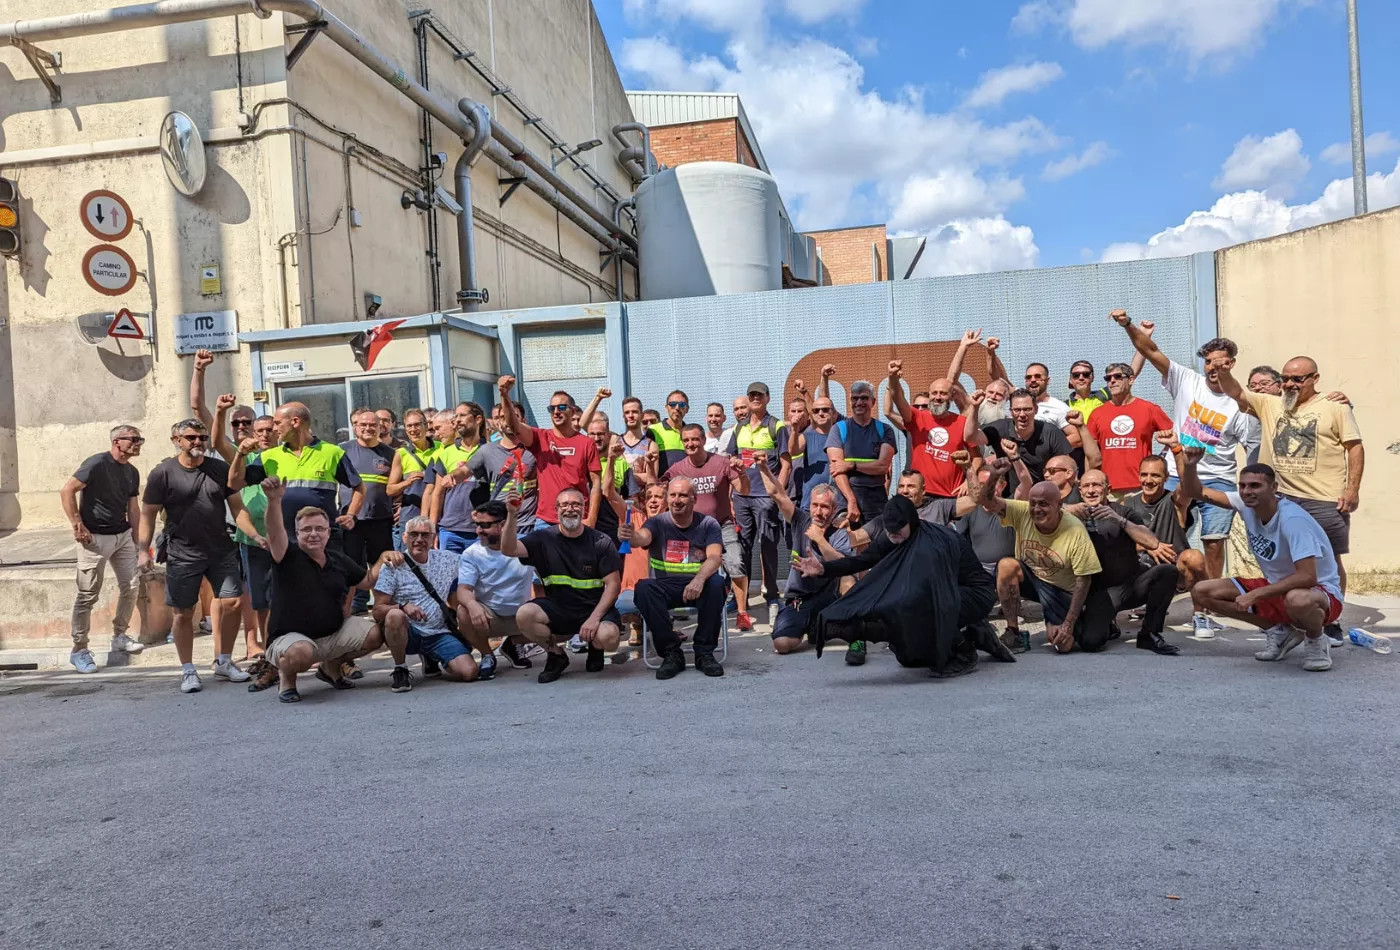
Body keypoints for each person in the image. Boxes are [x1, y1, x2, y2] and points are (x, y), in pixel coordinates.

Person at [1216, 358, 1363, 646]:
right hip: (1281, 497)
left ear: (1315, 378)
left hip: (1323, 498)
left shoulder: (1335, 406)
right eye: (1285, 379)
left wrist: (1352, 489)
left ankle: (1330, 620)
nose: (1291, 385)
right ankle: (1288, 617)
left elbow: (1354, 446)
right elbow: (1235, 391)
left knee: (1331, 558)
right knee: (1279, 561)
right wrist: (1223, 372)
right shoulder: (1271, 403)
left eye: (1299, 379)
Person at [1114, 311, 1260, 588]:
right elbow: (1150, 350)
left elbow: (1253, 450)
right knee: (1161, 531)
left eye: (1220, 362)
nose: (1213, 368)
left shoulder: (1240, 404)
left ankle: (1213, 594)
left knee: (1214, 541)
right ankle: (1160, 586)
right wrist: (1127, 325)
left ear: (1231, 363)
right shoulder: (1186, 380)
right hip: (1176, 472)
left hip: (1218, 477)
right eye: (1208, 362)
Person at [794, 495, 1008, 678]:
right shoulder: (895, 535)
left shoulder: (931, 545)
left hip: (975, 593)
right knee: (909, 657)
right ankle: (976, 632)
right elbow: (863, 561)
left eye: (898, 529)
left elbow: (930, 594)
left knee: (920, 609)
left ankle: (964, 650)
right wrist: (823, 568)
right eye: (889, 529)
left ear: (911, 522)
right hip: (947, 592)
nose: (893, 534)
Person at [1181, 450, 1344, 672]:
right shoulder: (1245, 503)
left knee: (1297, 599)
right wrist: (1190, 465)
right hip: (1277, 586)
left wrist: (1255, 595)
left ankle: (1316, 640)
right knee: (1201, 591)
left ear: (1274, 488)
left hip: (1318, 593)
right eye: (1243, 485)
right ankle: (1279, 632)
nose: (1247, 491)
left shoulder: (1293, 521)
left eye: (1255, 486)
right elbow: (1194, 491)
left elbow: (1308, 576)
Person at [137, 418, 256, 692]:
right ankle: (188, 670)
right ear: (176, 441)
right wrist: (143, 550)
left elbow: (237, 507)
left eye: (202, 437)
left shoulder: (218, 469)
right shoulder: (162, 473)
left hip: (220, 549)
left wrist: (254, 535)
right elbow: (148, 514)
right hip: (182, 552)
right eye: (191, 437)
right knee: (183, 612)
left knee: (233, 602)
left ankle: (224, 662)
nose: (198, 442)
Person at [259, 478, 394, 702]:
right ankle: (287, 681)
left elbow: (367, 581)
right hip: (290, 639)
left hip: (331, 635)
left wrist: (382, 557)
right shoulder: (286, 555)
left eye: (320, 529)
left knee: (376, 633)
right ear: (297, 532)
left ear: (328, 533)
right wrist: (274, 501)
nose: (314, 534)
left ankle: (330, 667)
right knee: (301, 652)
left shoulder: (337, 559)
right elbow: (274, 531)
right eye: (307, 529)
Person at [978, 459, 1105, 654]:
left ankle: (1077, 622)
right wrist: (994, 475)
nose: (1037, 509)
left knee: (1065, 645)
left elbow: (1083, 581)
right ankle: (1013, 632)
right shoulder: (1022, 512)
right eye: (1033, 503)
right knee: (1006, 565)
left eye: (1044, 504)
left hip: (1063, 592)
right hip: (1035, 580)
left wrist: (1068, 624)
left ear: (1059, 505)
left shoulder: (1075, 531)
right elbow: (987, 502)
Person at [499, 486, 622, 682]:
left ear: (584, 508)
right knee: (525, 614)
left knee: (609, 637)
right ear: (556, 509)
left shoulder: (600, 541)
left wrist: (594, 619)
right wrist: (512, 514)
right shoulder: (543, 538)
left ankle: (596, 648)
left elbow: (613, 585)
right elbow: (508, 549)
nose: (570, 509)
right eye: (564, 504)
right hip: (559, 608)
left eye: (576, 504)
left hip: (593, 608)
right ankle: (556, 655)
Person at [622, 477, 727, 679]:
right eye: (672, 495)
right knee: (643, 589)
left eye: (683, 495)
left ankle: (704, 653)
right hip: (665, 587)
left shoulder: (708, 524)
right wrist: (631, 536)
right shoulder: (656, 522)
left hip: (697, 586)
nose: (676, 500)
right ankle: (671, 653)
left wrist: (699, 579)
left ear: (694, 499)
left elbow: (715, 557)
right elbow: (641, 538)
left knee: (716, 583)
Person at [62, 425, 148, 672]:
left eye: (140, 439)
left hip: (122, 536)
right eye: (133, 439)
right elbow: (67, 490)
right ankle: (79, 649)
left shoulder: (132, 472)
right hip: (94, 538)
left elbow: (133, 508)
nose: (137, 443)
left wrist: (140, 542)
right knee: (88, 593)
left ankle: (120, 635)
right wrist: (77, 523)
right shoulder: (97, 463)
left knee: (131, 586)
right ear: (116, 441)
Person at [372, 516, 488, 691]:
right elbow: (377, 610)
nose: (419, 539)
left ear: (434, 538)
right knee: (394, 615)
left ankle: (432, 656)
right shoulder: (392, 566)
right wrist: (403, 607)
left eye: (425, 535)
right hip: (408, 632)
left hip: (438, 633)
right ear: (404, 538)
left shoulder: (447, 559)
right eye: (414, 534)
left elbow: (477, 562)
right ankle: (400, 668)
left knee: (469, 672)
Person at [1076, 469, 1181, 655]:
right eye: (1086, 486)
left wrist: (1118, 520)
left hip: (1130, 584)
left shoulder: (1122, 512)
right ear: (1080, 490)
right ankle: (1107, 625)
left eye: (1097, 485)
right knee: (1091, 643)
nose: (1091, 490)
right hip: (1100, 593)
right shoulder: (1072, 514)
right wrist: (1066, 510)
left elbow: (1152, 542)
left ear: (1108, 489)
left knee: (1167, 572)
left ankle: (1149, 634)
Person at [233, 402, 362, 548]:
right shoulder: (268, 457)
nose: (274, 429)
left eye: (277, 423)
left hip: (324, 540)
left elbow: (359, 486)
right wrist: (240, 454)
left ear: (295, 422)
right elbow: (234, 483)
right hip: (285, 539)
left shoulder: (332, 453)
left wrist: (351, 515)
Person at [497, 376, 602, 531]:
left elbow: (596, 484)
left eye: (561, 407)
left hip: (576, 517)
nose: (555, 412)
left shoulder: (586, 443)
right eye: (551, 409)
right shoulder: (541, 438)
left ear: (573, 411)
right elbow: (514, 426)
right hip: (545, 520)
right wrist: (504, 395)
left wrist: (591, 519)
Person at [763, 475, 851, 656]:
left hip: (829, 599)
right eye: (815, 505)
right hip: (800, 599)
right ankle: (812, 627)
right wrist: (764, 467)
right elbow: (775, 493)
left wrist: (820, 541)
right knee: (782, 644)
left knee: (849, 579)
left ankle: (824, 627)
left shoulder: (839, 532)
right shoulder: (800, 520)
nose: (818, 512)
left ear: (834, 509)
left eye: (825, 507)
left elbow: (845, 565)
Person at [725, 381, 790, 626]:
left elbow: (786, 464)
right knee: (742, 547)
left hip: (765, 497)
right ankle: (741, 599)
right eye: (751, 395)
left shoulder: (777, 426)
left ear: (767, 398)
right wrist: (732, 493)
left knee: (769, 545)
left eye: (759, 395)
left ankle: (772, 595)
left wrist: (778, 493)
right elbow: (731, 460)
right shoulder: (738, 428)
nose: (755, 399)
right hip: (742, 498)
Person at [662, 422, 748, 602]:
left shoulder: (721, 462)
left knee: (736, 565)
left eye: (695, 439)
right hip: (692, 529)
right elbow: (658, 489)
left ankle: (741, 612)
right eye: (686, 440)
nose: (690, 444)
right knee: (677, 569)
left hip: (722, 525)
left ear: (703, 440)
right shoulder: (678, 468)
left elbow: (744, 490)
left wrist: (742, 474)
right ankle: (682, 605)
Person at [459, 500, 548, 670]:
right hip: (489, 618)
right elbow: (463, 590)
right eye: (477, 524)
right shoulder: (471, 554)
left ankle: (513, 644)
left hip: (523, 616)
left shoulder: (527, 546)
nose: (478, 530)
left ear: (502, 525)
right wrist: (472, 605)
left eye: (484, 525)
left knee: (562, 615)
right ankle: (487, 654)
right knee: (463, 612)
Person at [1123, 435, 1209, 604]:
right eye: (1144, 475)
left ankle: (1201, 612)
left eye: (1155, 475)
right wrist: (1151, 547)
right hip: (1141, 570)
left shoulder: (1175, 502)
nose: (1148, 480)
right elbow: (1120, 543)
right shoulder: (1127, 503)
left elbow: (1187, 485)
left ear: (1166, 478)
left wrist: (1177, 450)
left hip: (1175, 570)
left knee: (1194, 558)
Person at [887, 359, 968, 514]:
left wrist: (968, 482)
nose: (938, 397)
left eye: (943, 393)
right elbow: (898, 399)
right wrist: (892, 377)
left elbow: (976, 457)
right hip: (921, 497)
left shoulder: (962, 422)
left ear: (952, 396)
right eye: (934, 393)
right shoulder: (918, 418)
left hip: (951, 498)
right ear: (929, 395)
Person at [1085, 361, 1172, 499]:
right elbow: (1090, 454)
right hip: (1108, 490)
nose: (1112, 381)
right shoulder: (1097, 414)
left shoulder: (1149, 409)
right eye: (1108, 378)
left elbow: (1175, 437)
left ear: (1131, 379)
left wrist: (1161, 458)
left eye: (1118, 376)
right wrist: (1089, 481)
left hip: (1142, 487)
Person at [965, 389, 1085, 489]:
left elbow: (1068, 467)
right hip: (1011, 498)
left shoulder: (1050, 432)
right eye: (1017, 410)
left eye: (1027, 409)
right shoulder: (1000, 428)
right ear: (1011, 412)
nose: (1022, 415)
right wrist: (974, 407)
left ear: (1036, 410)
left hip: (1043, 495)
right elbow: (971, 437)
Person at [340, 407, 397, 610]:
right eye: (363, 424)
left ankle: (381, 612)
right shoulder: (342, 450)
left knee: (381, 568)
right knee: (350, 567)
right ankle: (345, 614)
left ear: (381, 427)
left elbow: (397, 486)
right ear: (355, 427)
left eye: (373, 425)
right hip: (351, 521)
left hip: (381, 519)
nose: (368, 428)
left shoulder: (391, 454)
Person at [231, 414, 277, 664]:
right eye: (258, 430)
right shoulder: (246, 459)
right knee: (261, 601)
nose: (264, 435)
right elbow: (218, 442)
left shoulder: (286, 457)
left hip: (288, 539)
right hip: (253, 541)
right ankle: (269, 650)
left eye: (269, 429)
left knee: (291, 596)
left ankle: (295, 646)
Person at [825, 379, 896, 527]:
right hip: (845, 498)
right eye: (855, 398)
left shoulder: (884, 430)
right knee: (847, 546)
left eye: (864, 398)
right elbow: (837, 470)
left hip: (875, 499)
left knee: (877, 545)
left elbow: (882, 466)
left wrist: (850, 465)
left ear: (873, 401)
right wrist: (851, 501)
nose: (859, 402)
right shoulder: (839, 429)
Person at [463, 405, 540, 535]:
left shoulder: (536, 448)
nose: (509, 420)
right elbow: (465, 471)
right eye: (503, 417)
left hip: (528, 525)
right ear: (498, 422)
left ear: (524, 421)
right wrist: (452, 476)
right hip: (499, 525)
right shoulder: (487, 450)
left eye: (514, 417)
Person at [429, 402, 486, 554]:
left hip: (481, 529)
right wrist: (432, 528)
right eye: (456, 416)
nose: (457, 420)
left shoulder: (490, 450)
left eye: (462, 415)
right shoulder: (447, 453)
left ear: (478, 419)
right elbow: (437, 493)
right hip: (450, 530)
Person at [618, 483, 669, 647]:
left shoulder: (675, 523)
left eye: (659, 497)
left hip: (667, 589)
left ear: (668, 502)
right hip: (633, 588)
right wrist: (610, 460)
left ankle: (665, 628)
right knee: (624, 607)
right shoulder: (634, 517)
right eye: (649, 498)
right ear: (643, 502)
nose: (653, 501)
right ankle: (637, 626)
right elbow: (608, 493)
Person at [386, 408, 440, 549]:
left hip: (439, 516)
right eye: (409, 426)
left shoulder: (441, 448)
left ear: (426, 426)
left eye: (417, 425)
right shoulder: (401, 453)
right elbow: (390, 489)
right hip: (410, 516)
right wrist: (407, 482)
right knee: (409, 562)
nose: (413, 429)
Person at [789, 373, 841, 510]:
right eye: (816, 411)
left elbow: (824, 399)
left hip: (838, 504)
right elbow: (793, 451)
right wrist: (794, 430)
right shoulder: (807, 435)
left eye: (825, 410)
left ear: (834, 414)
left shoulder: (842, 433)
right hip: (811, 505)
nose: (821, 413)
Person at [645, 390, 692, 477]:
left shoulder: (690, 433)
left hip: (686, 487)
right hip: (662, 487)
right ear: (666, 408)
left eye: (682, 405)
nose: (677, 408)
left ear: (687, 409)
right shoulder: (653, 430)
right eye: (672, 404)